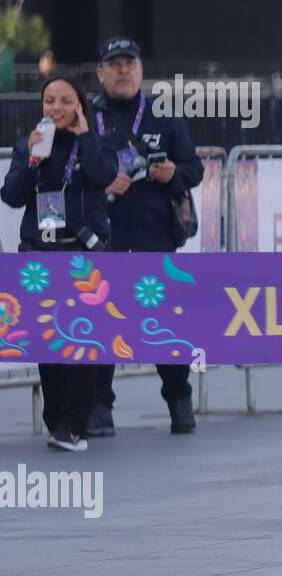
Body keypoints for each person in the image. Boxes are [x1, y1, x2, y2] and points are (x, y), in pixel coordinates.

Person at [87, 37, 204, 437]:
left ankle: (179, 401)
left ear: (141, 71)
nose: (122, 70)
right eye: (114, 64)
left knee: (165, 323)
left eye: (129, 63)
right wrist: (102, 184)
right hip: (103, 239)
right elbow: (66, 171)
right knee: (102, 323)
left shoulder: (164, 116)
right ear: (100, 72)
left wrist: (174, 174)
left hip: (156, 239)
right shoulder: (87, 116)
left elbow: (195, 169)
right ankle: (99, 408)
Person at [2, 75, 117, 452]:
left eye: (65, 101)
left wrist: (85, 138)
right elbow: (13, 196)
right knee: (49, 343)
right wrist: (33, 160)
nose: (56, 108)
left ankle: (74, 425)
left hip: (84, 258)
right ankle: (57, 424)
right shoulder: (29, 144)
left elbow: (103, 177)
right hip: (41, 256)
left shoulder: (94, 145)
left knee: (83, 341)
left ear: (79, 105)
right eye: (49, 100)